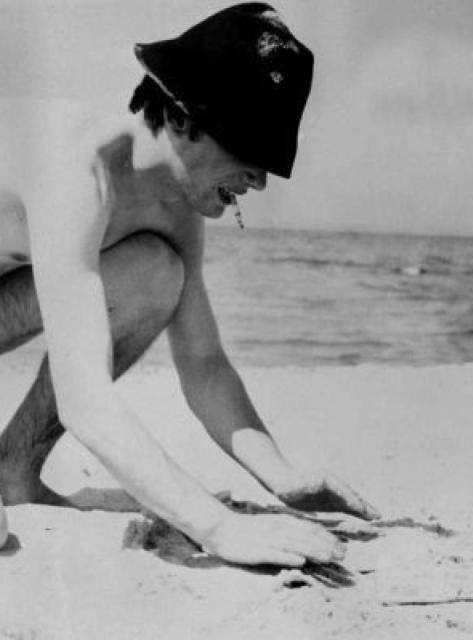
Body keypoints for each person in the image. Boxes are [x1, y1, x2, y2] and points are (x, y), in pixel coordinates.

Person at [0, 3, 379, 565]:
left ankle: (14, 470)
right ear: (181, 118)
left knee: (157, 273)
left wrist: (284, 477)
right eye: (249, 149)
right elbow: (86, 400)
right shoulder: (76, 171)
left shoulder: (174, 207)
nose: (259, 179)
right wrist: (217, 528)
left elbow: (204, 362)